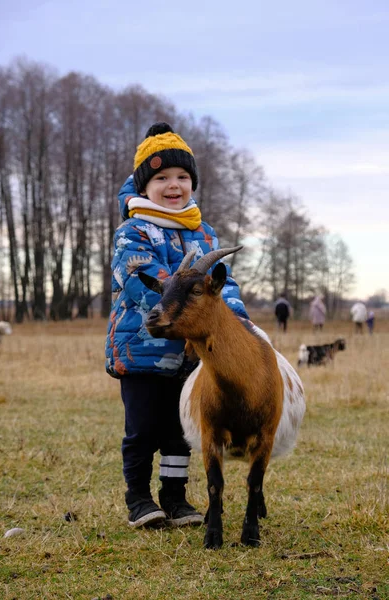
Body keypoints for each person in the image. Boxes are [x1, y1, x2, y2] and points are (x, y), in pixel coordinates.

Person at [105, 122, 250, 529]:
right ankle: (138, 498)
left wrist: (235, 320)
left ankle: (174, 498)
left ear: (193, 183)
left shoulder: (203, 232)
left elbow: (222, 284)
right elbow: (139, 280)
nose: (174, 186)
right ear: (144, 186)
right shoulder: (132, 231)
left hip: (191, 355)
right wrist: (186, 313)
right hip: (142, 350)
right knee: (142, 429)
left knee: (180, 429)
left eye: (182, 177)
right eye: (162, 178)